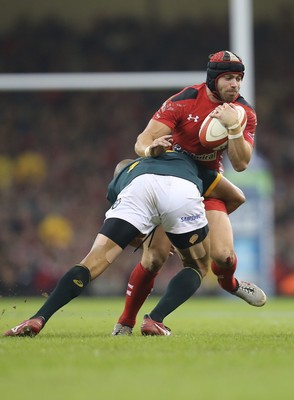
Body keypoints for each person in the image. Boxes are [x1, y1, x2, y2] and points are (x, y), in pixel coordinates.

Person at [112, 50, 266, 336]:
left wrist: (234, 129)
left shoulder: (244, 113)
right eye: (229, 78)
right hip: (170, 182)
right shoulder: (184, 101)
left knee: (224, 257)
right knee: (154, 258)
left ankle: (229, 284)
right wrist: (150, 150)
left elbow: (242, 164)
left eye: (239, 79)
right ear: (213, 80)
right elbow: (143, 141)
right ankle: (125, 322)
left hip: (206, 185)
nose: (235, 85)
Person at [4, 151, 219, 337]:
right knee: (197, 265)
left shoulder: (120, 180)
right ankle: (155, 320)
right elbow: (232, 195)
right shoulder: (178, 161)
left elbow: (132, 235)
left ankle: (38, 318)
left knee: (91, 262)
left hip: (137, 193)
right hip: (180, 190)